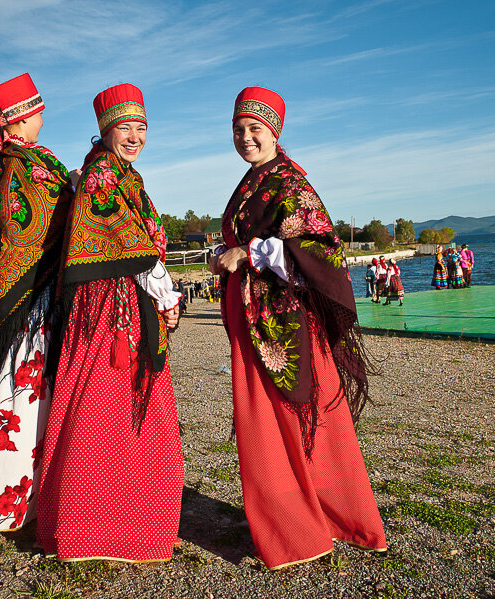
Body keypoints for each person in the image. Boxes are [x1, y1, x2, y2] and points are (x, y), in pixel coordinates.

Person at [209, 86, 386, 570]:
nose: (246, 138)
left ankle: (318, 520)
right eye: (239, 130)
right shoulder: (252, 182)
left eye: (254, 129)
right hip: (254, 318)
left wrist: (248, 253)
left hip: (285, 325)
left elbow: (323, 249)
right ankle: (296, 522)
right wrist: (225, 256)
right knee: (266, 424)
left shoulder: (288, 183)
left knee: (296, 419)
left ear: (275, 131)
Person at [36, 83, 184, 563]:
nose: (135, 136)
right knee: (108, 404)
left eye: (142, 127)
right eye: (126, 127)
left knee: (108, 405)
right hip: (112, 309)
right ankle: (101, 526)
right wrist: (162, 285)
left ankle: (105, 521)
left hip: (117, 302)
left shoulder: (121, 173)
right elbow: (123, 237)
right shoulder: (103, 172)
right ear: (106, 129)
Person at [0, 73, 75, 531]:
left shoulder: (0, 162)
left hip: (14, 295)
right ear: (24, 117)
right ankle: (11, 504)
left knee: (10, 390)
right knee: (23, 392)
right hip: (34, 299)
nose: (44, 118)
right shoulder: (24, 165)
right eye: (39, 111)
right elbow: (40, 223)